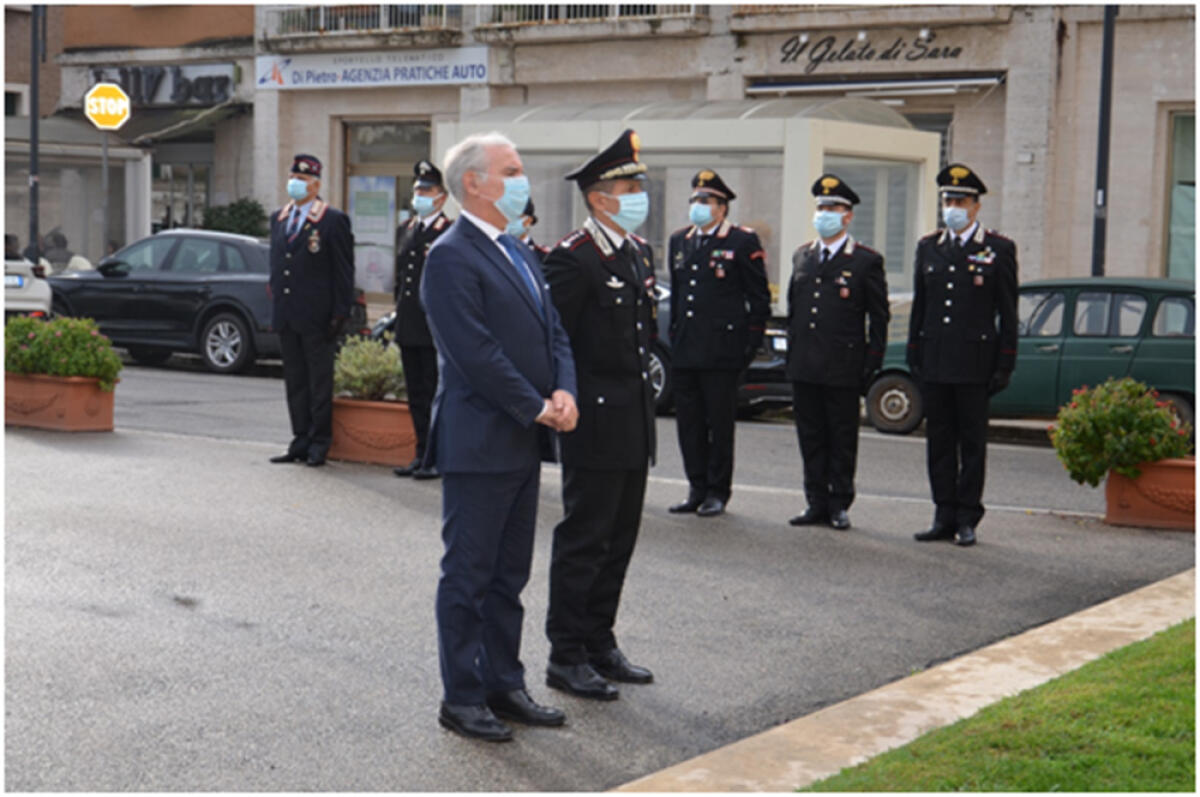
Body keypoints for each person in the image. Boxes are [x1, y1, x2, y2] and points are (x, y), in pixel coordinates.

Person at [421, 131, 578, 742]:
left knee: (509, 575)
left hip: (521, 438)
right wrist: (535, 406)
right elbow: (474, 353)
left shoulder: (517, 250)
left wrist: (563, 390)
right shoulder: (450, 255)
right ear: (474, 183)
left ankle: (503, 684)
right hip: (481, 440)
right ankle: (461, 697)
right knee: (469, 576)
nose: (522, 181)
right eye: (511, 171)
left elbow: (553, 332)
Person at [541, 129, 657, 702]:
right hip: (594, 423)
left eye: (638, 187)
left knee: (619, 540)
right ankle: (565, 654)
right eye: (629, 189)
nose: (639, 197)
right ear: (597, 197)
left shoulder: (636, 252)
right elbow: (552, 339)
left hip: (635, 420)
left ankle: (599, 641)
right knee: (585, 540)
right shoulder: (573, 257)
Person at [908, 163, 1018, 547]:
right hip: (936, 360)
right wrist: (914, 352)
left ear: (976, 206)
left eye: (960, 201)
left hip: (974, 363)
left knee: (971, 444)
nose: (953, 208)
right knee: (939, 442)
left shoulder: (997, 249)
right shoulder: (929, 247)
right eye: (948, 201)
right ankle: (943, 513)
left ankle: (967, 516)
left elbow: (1008, 312)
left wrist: (1005, 362)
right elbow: (921, 307)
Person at [785, 174, 889, 531]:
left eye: (833, 208)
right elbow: (795, 310)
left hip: (843, 366)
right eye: (821, 207)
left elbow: (879, 317)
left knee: (841, 438)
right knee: (810, 436)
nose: (825, 214)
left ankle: (839, 502)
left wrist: (872, 363)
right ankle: (815, 501)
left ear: (848, 216)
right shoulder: (803, 255)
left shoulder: (864, 261)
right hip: (805, 365)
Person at [666, 169, 770, 517]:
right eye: (694, 199)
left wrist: (749, 344)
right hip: (686, 350)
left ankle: (717, 491)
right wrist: (675, 335)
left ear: (722, 208)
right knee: (689, 425)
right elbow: (678, 294)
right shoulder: (680, 240)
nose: (698, 205)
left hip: (722, 351)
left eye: (706, 200)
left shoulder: (741, 241)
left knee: (719, 425)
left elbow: (758, 299)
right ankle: (695, 487)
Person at [267, 153, 356, 468]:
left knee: (319, 382)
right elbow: (277, 265)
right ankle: (300, 438)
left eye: (303, 179)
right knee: (295, 381)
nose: (296, 183)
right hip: (287, 313)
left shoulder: (331, 220)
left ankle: (320, 441)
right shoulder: (279, 218)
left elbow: (343, 271)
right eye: (294, 177)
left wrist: (340, 312)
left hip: (318, 316)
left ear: (316, 185)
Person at [392, 159, 451, 480]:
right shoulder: (406, 229)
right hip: (408, 324)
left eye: (427, 191)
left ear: (441, 197)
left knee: (434, 393)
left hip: (433, 327)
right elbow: (400, 278)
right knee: (415, 395)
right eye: (417, 190)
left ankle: (436, 456)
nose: (420, 196)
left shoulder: (449, 231)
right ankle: (420, 453)